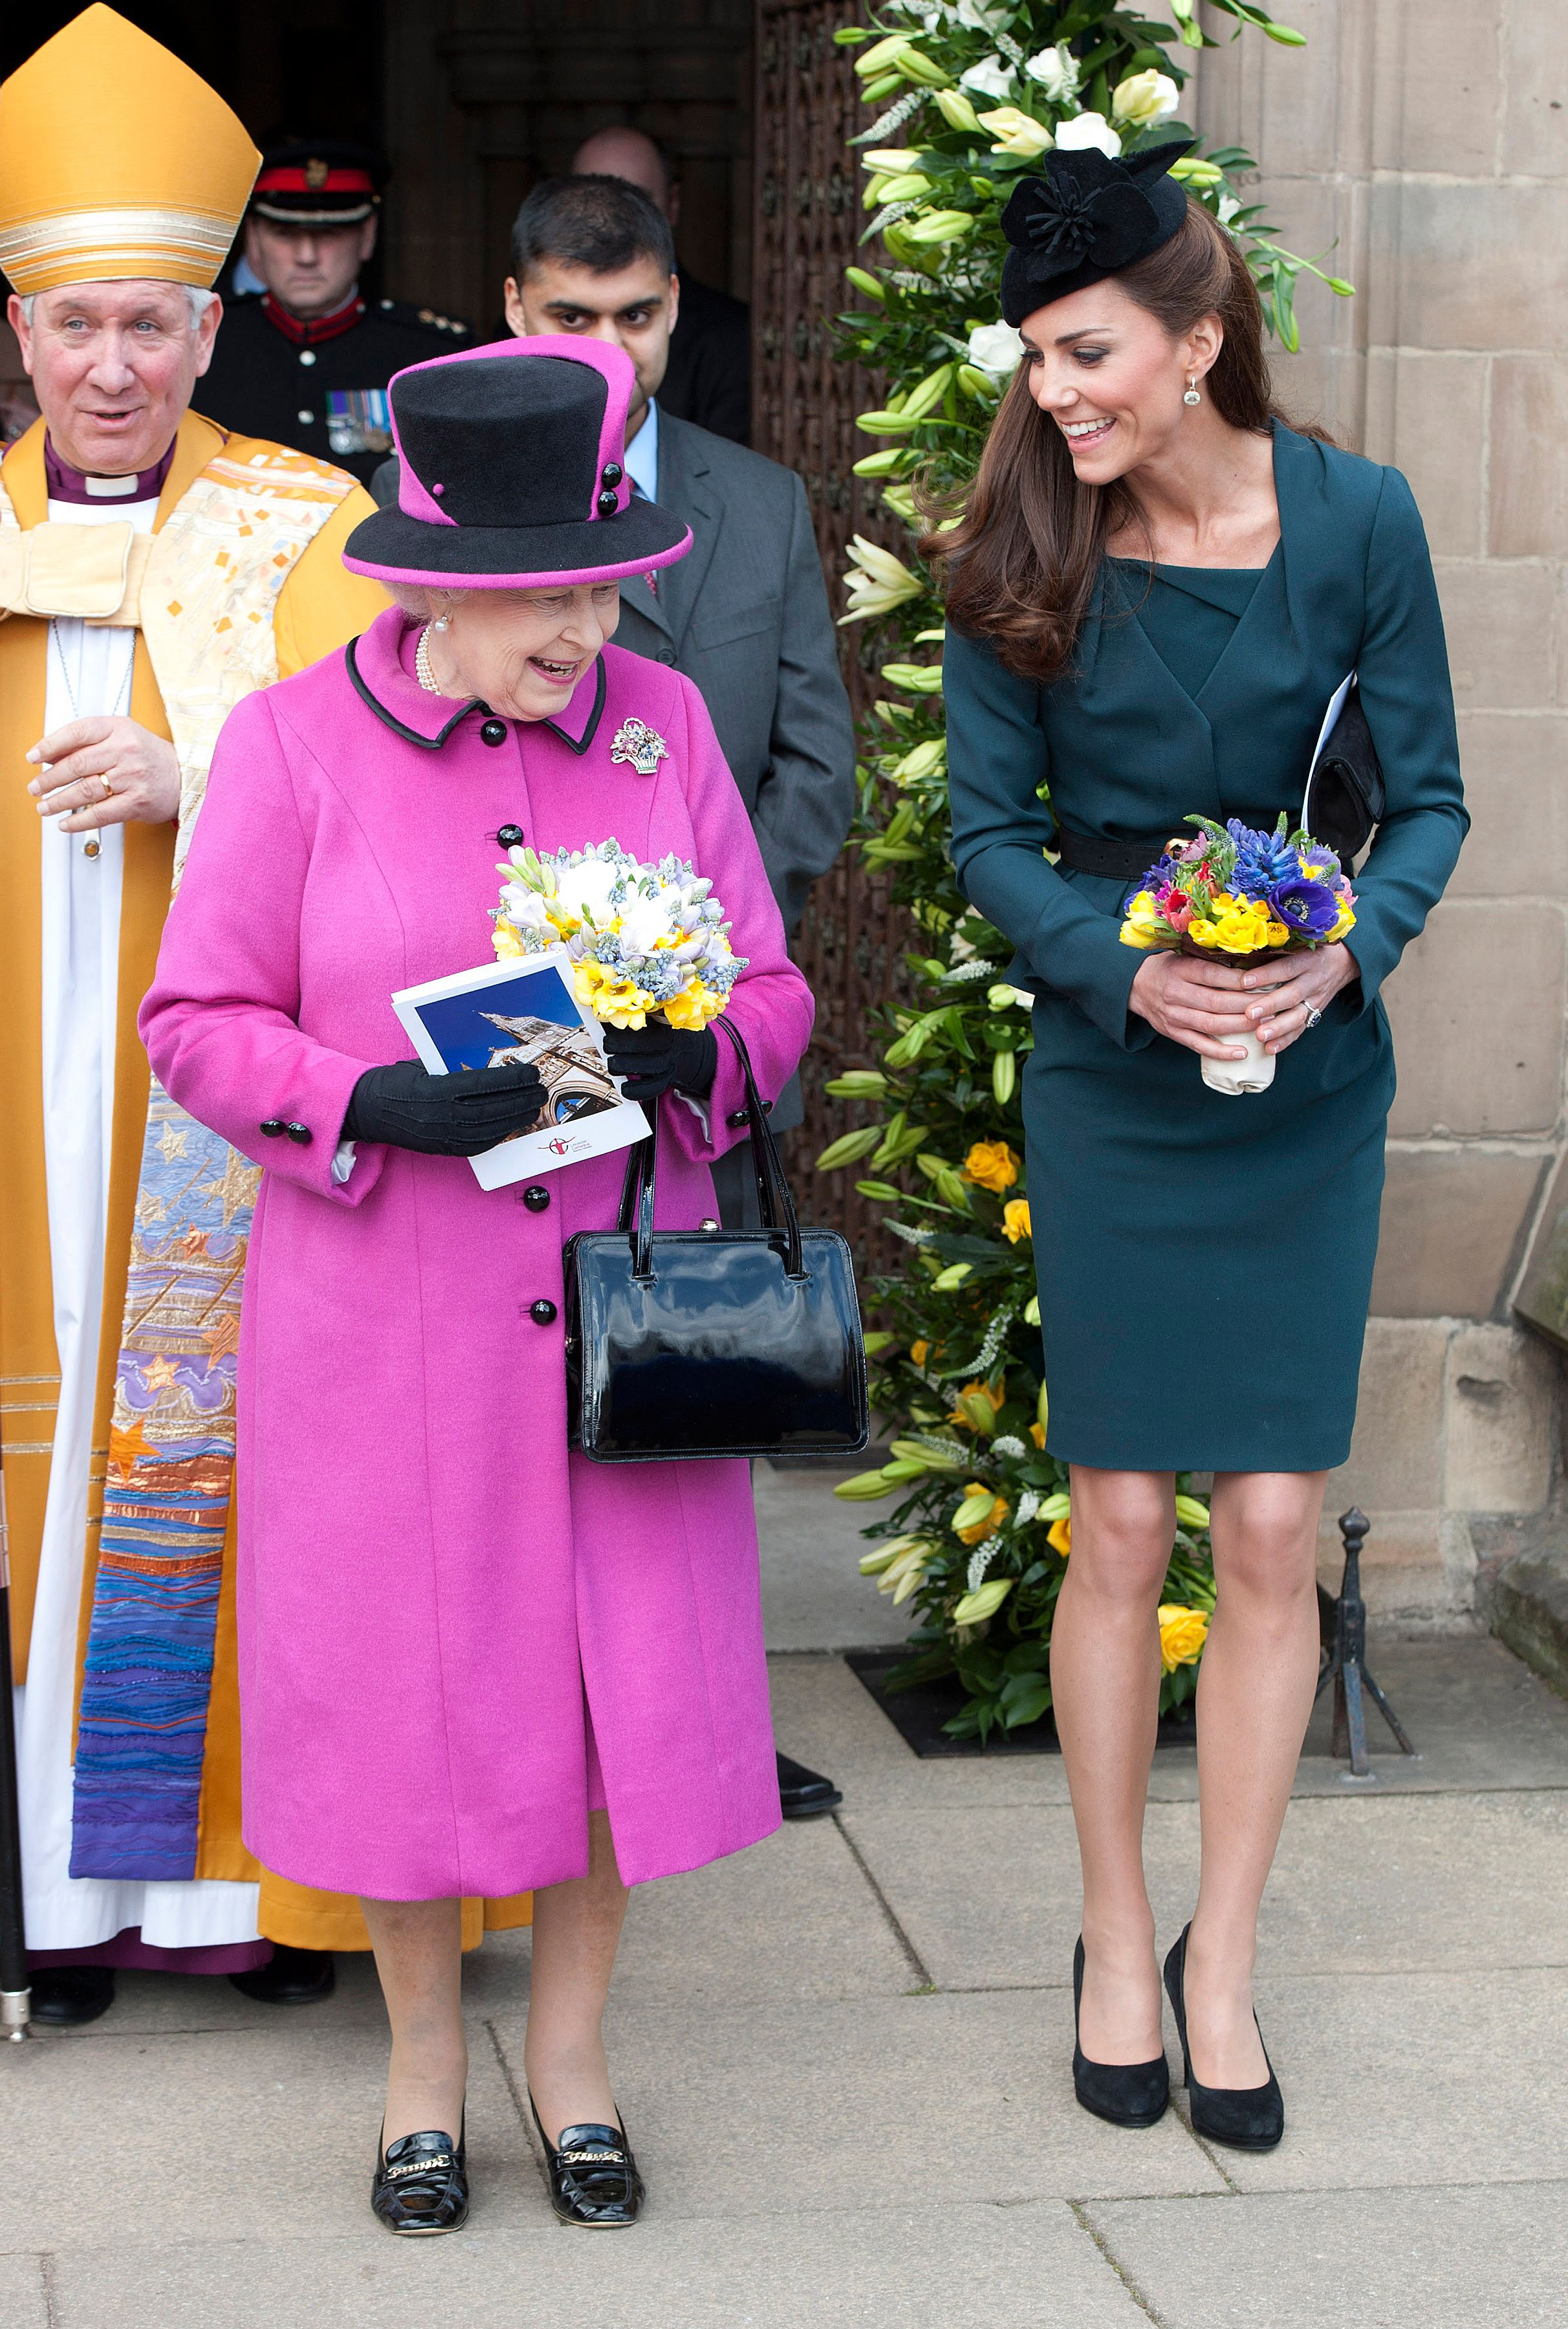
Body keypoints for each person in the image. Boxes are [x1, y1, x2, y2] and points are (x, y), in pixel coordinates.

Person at [141, 333, 816, 2233]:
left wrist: (710, 1058)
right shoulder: (288, 747)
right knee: (412, 1702)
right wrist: (364, 1095)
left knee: (606, 1704)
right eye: (546, 596)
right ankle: (424, 2075)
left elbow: (770, 988)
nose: (587, 626)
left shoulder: (661, 733)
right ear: (435, 583)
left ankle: (576, 2065)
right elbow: (193, 1024)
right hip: (387, 1325)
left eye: (603, 583)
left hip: (616, 1304)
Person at [939, 145, 1466, 2150]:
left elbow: (1424, 805)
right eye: (1038, 359)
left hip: (1307, 1087)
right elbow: (988, 835)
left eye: (1086, 355)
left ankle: (1221, 1965)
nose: (1056, 393)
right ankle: (1105, 1935)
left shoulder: (1359, 523)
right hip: (1112, 1075)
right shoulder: (1021, 534)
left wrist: (1343, 965)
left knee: (1263, 1529)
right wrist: (1118, 974)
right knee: (1127, 1522)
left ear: (1200, 331)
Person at [0, 3, 469, 2031]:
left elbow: (427, 804)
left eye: (149, 327)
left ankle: (249, 1899)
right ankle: (47, 1894)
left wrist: (205, 783)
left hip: (223, 1123)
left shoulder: (308, 535)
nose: (112, 366)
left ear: (213, 332)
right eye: (74, 325)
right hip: (26, 1124)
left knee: (241, 1469)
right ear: (20, 332)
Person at [373, 171, 856, 1819]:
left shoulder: (757, 505)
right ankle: (513, 1770)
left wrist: (692, 948)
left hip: (678, 1059)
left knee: (669, 1435)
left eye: (637, 316)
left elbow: (805, 764)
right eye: (571, 317)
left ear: (675, 312)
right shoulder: (428, 522)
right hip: (478, 1132)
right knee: (479, 1516)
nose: (610, 348)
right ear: (516, 312)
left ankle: (684, 1729)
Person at [195, 137, 470, 485]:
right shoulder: (205, 342)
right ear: (254, 237)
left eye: (328, 234)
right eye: (284, 233)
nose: (306, 256)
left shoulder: (433, 353)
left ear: (367, 235)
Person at [571, 126, 750, 445]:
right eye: (590, 203)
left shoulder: (732, 334)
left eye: (635, 202)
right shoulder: (521, 327)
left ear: (673, 204)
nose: (609, 224)